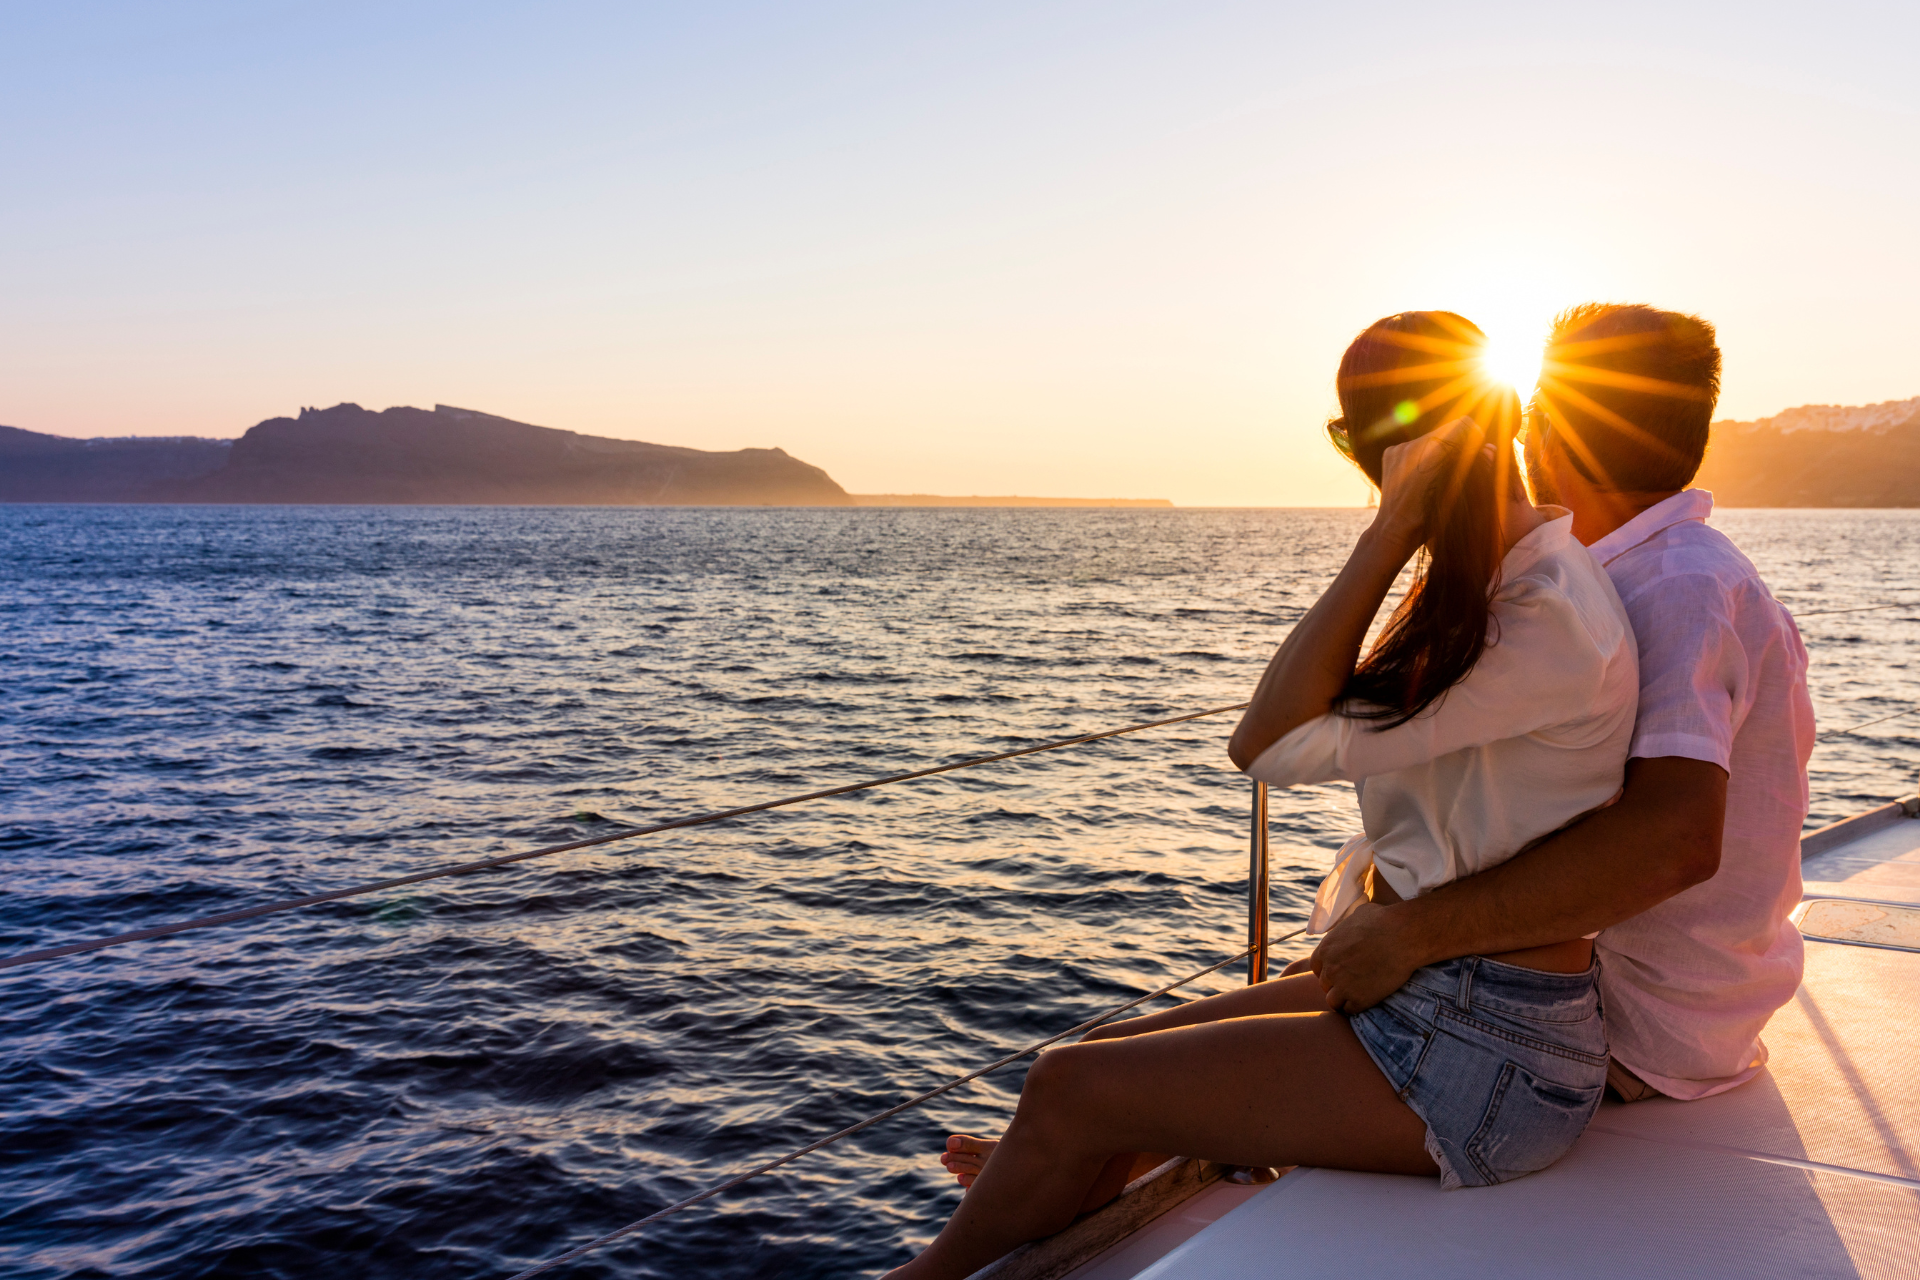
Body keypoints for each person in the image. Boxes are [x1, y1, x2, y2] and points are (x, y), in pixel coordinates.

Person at [884, 310, 1639, 1280]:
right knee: (1094, 1071)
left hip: (1491, 1054)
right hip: (1438, 995)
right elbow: (1288, 732)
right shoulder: (1499, 587)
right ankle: (1043, 1179)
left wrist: (1391, 527)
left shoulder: (1541, 618)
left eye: (1357, 443)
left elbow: (1267, 742)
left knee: (1069, 1085)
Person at [1305, 304, 1813, 1105]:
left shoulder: (1678, 588)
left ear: (1547, 431)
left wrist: (1411, 933)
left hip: (1622, 1022)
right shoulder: (1643, 573)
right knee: (1150, 1068)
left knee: (1127, 1088)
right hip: (1593, 992)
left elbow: (1675, 840)